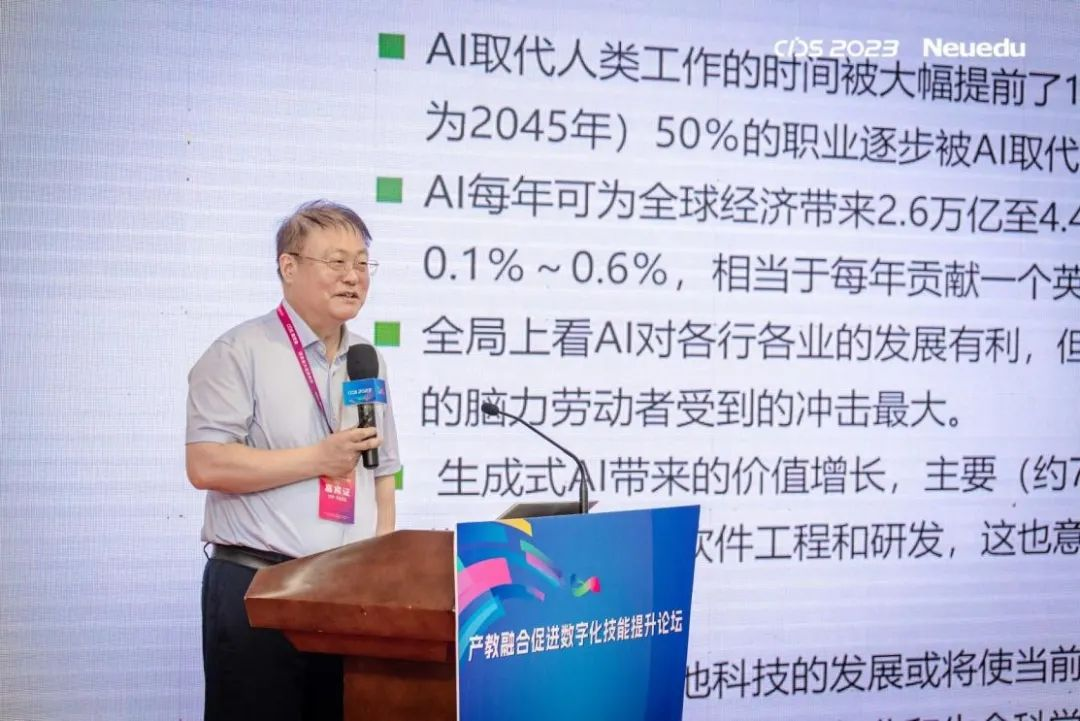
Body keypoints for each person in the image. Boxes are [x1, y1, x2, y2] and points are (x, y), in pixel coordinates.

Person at [185, 200, 401, 721]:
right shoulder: (239, 352)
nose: (353, 277)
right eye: (337, 262)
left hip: (347, 596)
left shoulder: (366, 359)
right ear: (289, 266)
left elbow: (382, 474)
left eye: (362, 263)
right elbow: (206, 465)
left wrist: (381, 568)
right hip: (260, 586)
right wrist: (317, 459)